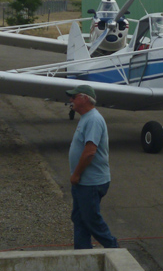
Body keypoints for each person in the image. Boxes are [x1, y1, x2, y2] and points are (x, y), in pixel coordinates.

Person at [66, 84, 119, 249]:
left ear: (84, 98)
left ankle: (115, 251)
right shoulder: (86, 118)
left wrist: (76, 174)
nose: (70, 100)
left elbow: (90, 152)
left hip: (91, 182)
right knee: (79, 218)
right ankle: (82, 254)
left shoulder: (94, 120)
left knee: (91, 220)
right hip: (83, 182)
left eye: (74, 97)